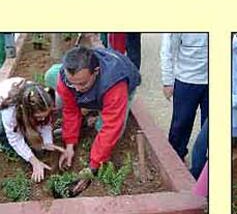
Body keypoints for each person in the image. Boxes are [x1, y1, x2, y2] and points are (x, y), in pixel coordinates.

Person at [45, 46, 140, 174]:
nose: (77, 89)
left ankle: (96, 109)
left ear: (96, 71)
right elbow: (70, 110)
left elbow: (111, 127)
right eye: (72, 83)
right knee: (51, 75)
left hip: (119, 86)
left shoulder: (115, 85)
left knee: (102, 128)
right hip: (96, 88)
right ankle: (88, 107)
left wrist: (94, 164)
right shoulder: (66, 77)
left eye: (82, 83)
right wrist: (69, 144)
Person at [0, 77, 64, 182]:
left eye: (45, 115)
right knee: (4, 131)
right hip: (3, 104)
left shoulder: (43, 97)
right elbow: (15, 139)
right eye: (38, 117)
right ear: (26, 112)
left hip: (23, 108)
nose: (42, 119)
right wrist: (34, 161)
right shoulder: (10, 113)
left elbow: (46, 123)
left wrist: (47, 142)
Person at [160, 33, 208, 161]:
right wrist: (168, 81)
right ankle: (175, 158)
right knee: (181, 124)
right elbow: (167, 49)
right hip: (186, 79)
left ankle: (205, 165)